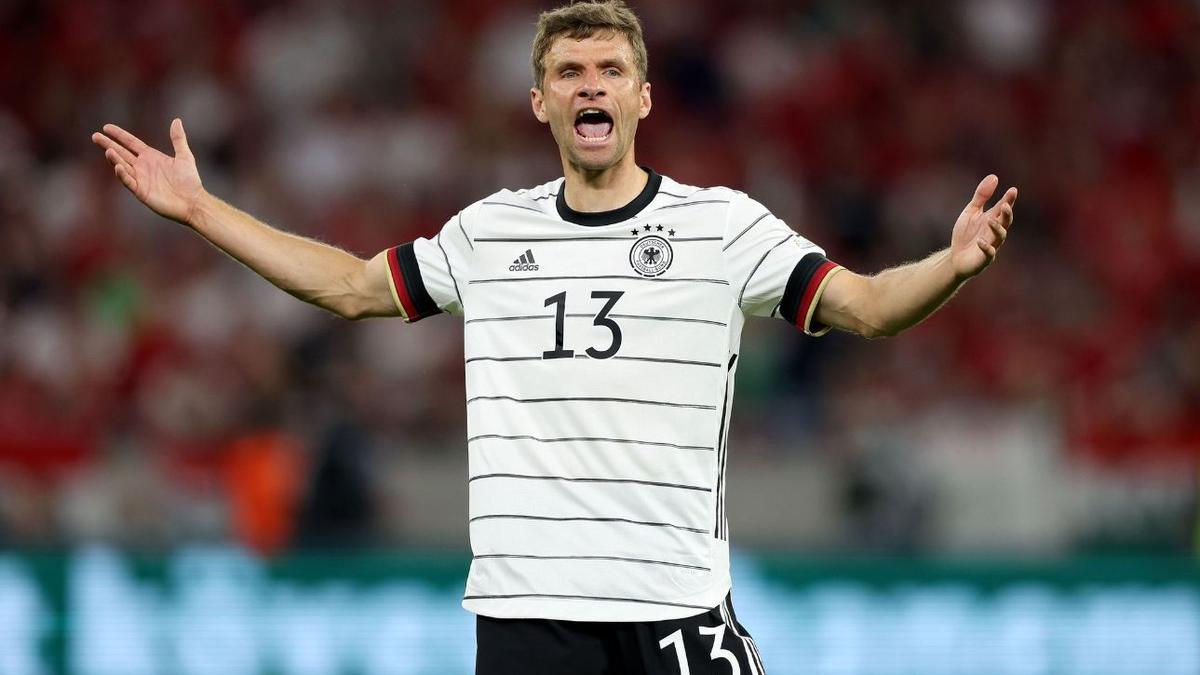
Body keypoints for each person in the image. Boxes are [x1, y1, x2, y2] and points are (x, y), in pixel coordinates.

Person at [91, 1, 1016, 672]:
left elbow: (867, 306)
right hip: (529, 616)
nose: (591, 85)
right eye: (570, 73)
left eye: (610, 69)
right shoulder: (490, 231)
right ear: (541, 102)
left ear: (644, 97)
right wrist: (203, 211)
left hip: (674, 603)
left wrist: (952, 265)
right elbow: (351, 286)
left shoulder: (724, 227)